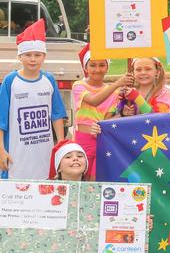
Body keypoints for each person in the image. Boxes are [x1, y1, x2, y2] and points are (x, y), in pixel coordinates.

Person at [0, 19, 67, 179]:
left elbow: (57, 115)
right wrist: (1, 150)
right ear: (20, 56)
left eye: (37, 55)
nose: (33, 59)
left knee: (45, 188)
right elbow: (1, 120)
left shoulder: (49, 80)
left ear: (44, 57)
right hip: (16, 154)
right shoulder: (10, 81)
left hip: (43, 153)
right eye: (28, 55)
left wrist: (60, 144)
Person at [73, 44, 133, 180]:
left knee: (95, 180)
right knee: (81, 177)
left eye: (102, 65)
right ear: (85, 68)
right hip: (83, 139)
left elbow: (108, 119)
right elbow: (94, 101)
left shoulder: (114, 92)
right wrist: (117, 83)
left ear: (107, 68)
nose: (97, 69)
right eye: (92, 65)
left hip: (102, 140)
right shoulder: (79, 86)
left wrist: (123, 113)